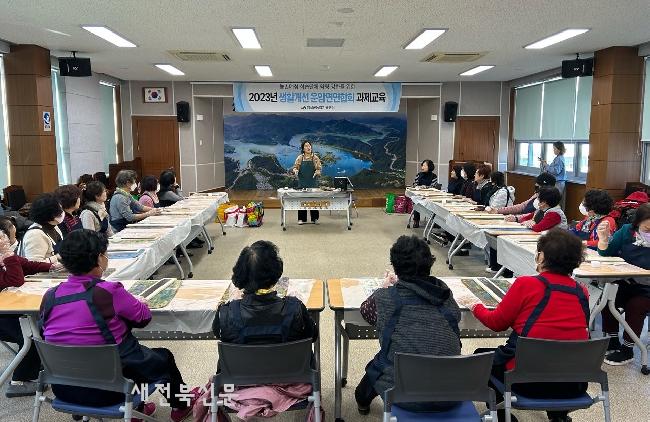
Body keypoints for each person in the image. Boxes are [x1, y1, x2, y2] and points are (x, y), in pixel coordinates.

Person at [39, 230, 199, 420]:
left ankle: (137, 409)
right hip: (111, 391)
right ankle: (181, 406)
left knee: (120, 356)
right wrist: (138, 303)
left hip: (66, 389)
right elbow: (143, 319)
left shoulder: (50, 296)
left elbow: (46, 331)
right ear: (100, 258)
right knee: (162, 357)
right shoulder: (108, 291)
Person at [458, 229, 589, 422]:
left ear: (541, 257)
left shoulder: (526, 284)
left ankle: (501, 413)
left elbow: (496, 323)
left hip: (526, 381)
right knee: (557, 351)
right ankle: (558, 416)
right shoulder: (582, 292)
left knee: (481, 357)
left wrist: (475, 306)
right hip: (573, 383)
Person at [209, 241, 318, 418]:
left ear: (241, 275)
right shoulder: (294, 307)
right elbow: (312, 336)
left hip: (239, 381)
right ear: (275, 273)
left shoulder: (227, 311)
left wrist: (233, 303)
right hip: (291, 379)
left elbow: (219, 333)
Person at [355, 235, 461, 414]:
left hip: (403, 394)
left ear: (395, 267)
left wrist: (385, 287)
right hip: (452, 394)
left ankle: (362, 402)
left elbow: (366, 311)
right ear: (429, 263)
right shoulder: (444, 294)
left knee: (379, 365)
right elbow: (456, 317)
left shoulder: (385, 298)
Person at [0, 217, 53, 398]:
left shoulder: (6, 255)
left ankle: (36, 361)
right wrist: (7, 254)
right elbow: (15, 280)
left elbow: (27, 265)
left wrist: (51, 266)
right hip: (3, 315)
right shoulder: (5, 255)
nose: (9, 242)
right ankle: (18, 381)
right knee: (32, 333)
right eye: (5, 239)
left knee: (42, 323)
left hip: (9, 309)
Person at [597, 204, 650, 365]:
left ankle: (628, 349)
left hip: (647, 287)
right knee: (607, 297)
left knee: (636, 306)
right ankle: (612, 340)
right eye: (647, 228)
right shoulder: (627, 231)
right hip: (625, 280)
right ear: (638, 222)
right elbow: (606, 252)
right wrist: (604, 239)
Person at [18, 193, 64, 264]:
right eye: (59, 210)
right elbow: (34, 265)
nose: (62, 212)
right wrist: (58, 257)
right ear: (50, 213)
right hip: (40, 274)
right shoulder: (35, 234)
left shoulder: (55, 226)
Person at [488, 173, 556, 216]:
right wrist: (498, 210)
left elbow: (533, 217)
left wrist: (517, 218)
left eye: (538, 186)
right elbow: (521, 206)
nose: (536, 187)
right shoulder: (535, 196)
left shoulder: (550, 203)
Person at [291, 140, 322, 225]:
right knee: (302, 201)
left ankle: (314, 219)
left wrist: (318, 172)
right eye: (306, 146)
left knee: (314, 202)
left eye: (309, 146)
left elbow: (319, 169)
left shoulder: (315, 158)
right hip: (302, 183)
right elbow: (295, 167)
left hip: (313, 183)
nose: (308, 147)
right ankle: (301, 219)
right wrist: (295, 171)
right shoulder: (300, 158)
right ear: (303, 148)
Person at [412, 159, 437, 228]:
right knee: (416, 202)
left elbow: (433, 187)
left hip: (429, 196)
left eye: (424, 165)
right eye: (422, 165)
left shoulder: (434, 176)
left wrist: (425, 187)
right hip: (419, 195)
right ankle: (416, 220)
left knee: (435, 204)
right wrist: (419, 187)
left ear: (429, 167)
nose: (422, 167)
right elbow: (414, 184)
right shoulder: (419, 175)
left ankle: (434, 221)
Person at [540, 141, 567, 207]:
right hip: (557, 183)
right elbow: (552, 168)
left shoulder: (559, 159)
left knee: (555, 201)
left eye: (554, 149)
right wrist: (546, 165)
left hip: (558, 183)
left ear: (559, 149)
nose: (553, 150)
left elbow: (556, 171)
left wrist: (546, 165)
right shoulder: (558, 158)